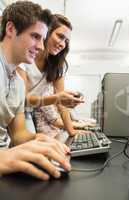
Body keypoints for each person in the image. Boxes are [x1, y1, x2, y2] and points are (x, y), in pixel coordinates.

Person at [0, 1, 72, 179]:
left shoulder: (16, 82)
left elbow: (18, 135)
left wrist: (40, 140)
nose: (41, 46)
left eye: (42, 38)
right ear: (10, 29)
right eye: (35, 36)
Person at [17, 14, 85, 137]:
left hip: (28, 111)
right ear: (46, 32)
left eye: (66, 41)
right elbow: (24, 100)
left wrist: (72, 132)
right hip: (17, 109)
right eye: (60, 36)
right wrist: (57, 98)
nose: (62, 44)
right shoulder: (26, 58)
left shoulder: (58, 65)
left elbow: (62, 105)